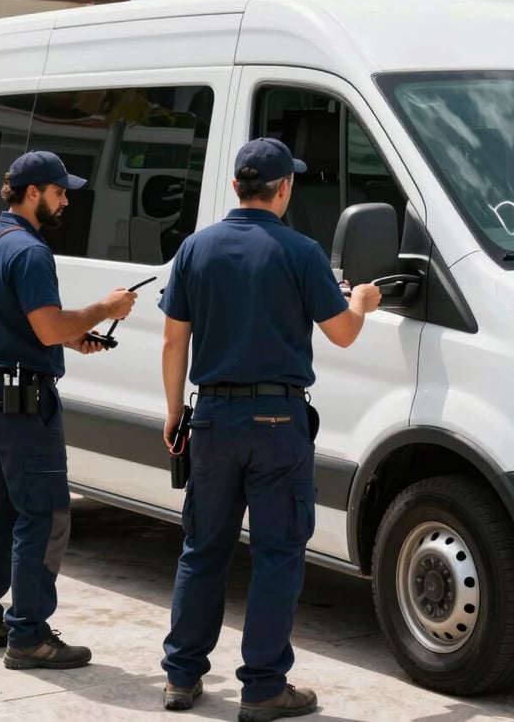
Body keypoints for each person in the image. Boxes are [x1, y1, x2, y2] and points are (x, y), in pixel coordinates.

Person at [158, 138, 382, 721]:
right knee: (278, 556)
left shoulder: (194, 249)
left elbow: (173, 339)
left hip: (210, 417)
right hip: (278, 422)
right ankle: (262, 688)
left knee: (202, 550)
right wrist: (360, 301)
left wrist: (174, 411)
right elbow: (342, 334)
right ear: (283, 188)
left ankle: (181, 678)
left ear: (236, 186)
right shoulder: (301, 251)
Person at [0, 150, 137, 669]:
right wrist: (104, 309)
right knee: (47, 514)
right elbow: (46, 326)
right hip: (23, 402)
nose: (66, 201)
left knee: (0, 511)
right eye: (60, 192)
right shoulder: (31, 251)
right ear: (33, 192)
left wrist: (69, 339)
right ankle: (29, 635)